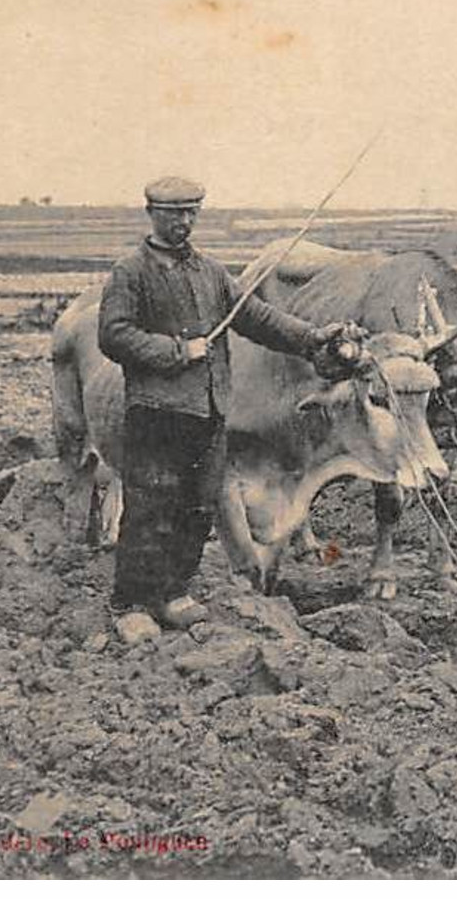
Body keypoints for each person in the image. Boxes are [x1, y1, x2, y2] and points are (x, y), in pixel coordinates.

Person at [98, 176, 361, 633]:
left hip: (209, 411)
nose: (183, 221)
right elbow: (114, 335)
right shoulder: (130, 272)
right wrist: (178, 353)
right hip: (157, 412)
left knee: (197, 508)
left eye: (191, 212)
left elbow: (257, 319)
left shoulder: (211, 273)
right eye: (173, 212)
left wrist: (312, 338)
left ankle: (175, 592)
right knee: (149, 508)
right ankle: (132, 604)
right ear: (151, 214)